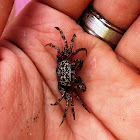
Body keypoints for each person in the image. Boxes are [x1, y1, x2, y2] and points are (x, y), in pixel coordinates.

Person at [0, 0, 140, 139]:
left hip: (64, 72)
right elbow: (68, 43)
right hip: (63, 81)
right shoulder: (66, 73)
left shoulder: (67, 64)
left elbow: (70, 44)